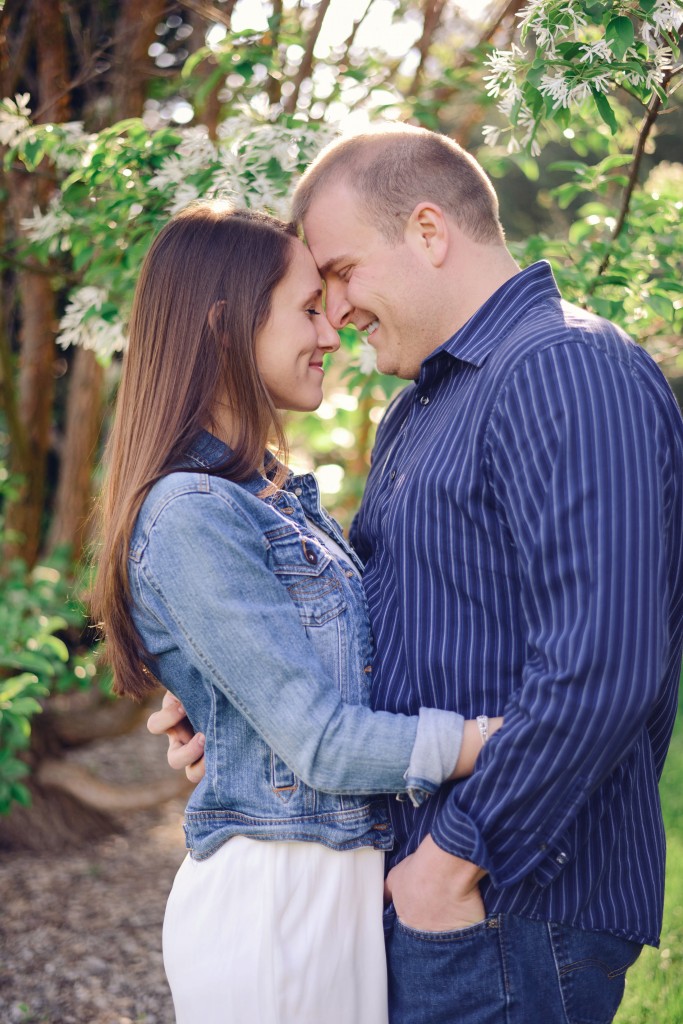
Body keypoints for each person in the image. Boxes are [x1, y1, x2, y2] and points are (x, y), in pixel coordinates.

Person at [155, 124, 683, 1024]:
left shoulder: (563, 368)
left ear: (429, 232)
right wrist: (231, 695)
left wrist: (451, 861)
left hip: (508, 900)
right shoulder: (425, 408)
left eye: (343, 272)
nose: (336, 311)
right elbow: (362, 624)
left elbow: (605, 663)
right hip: (432, 894)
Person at [93, 200, 502, 1024]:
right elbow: (319, 740)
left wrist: (223, 724)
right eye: (308, 309)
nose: (331, 332)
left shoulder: (276, 500)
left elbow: (312, 690)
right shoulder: (192, 513)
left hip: (330, 890)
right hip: (275, 908)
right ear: (222, 330)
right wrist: (496, 741)